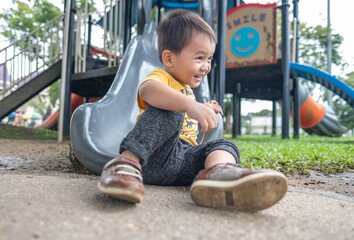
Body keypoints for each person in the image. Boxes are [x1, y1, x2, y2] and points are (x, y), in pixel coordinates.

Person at [97, 9, 288, 212]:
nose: (206, 66)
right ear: (169, 59)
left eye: (209, 59)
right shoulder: (163, 78)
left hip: (182, 162)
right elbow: (148, 90)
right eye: (199, 58)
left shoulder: (187, 91)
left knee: (223, 144)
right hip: (152, 157)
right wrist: (190, 105)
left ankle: (218, 174)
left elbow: (186, 111)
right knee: (171, 110)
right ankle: (125, 164)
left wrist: (201, 107)